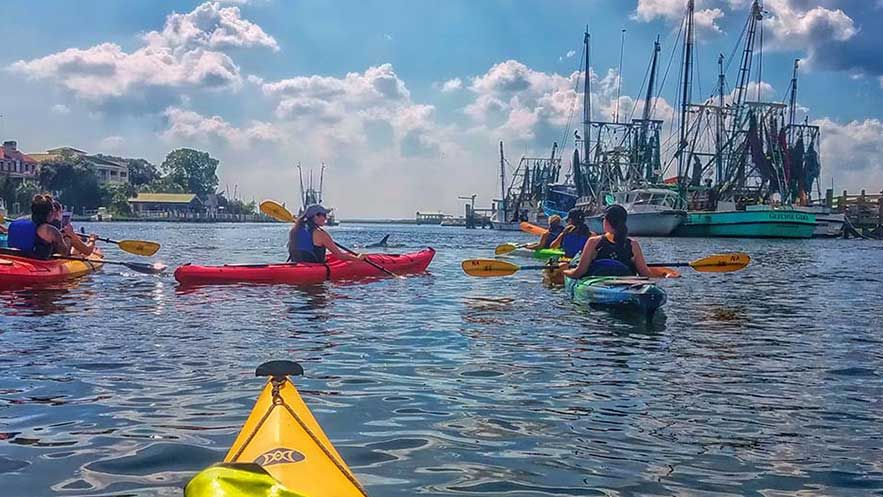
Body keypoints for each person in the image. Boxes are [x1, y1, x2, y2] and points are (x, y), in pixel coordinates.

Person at [563, 204, 654, 280]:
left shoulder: (594, 242)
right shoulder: (633, 245)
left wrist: (565, 270)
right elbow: (645, 275)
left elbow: (578, 273)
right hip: (627, 286)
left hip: (598, 286)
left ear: (606, 221)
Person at [288, 204, 365, 263]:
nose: (326, 218)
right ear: (315, 216)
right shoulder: (320, 234)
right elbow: (340, 256)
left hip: (296, 263)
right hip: (313, 267)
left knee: (329, 257)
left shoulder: (294, 230)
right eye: (324, 215)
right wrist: (358, 258)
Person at [7, 194, 68, 258]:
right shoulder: (50, 230)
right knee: (68, 238)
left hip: (14, 260)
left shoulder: (14, 223)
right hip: (38, 264)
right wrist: (68, 236)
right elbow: (64, 253)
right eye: (53, 211)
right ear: (50, 213)